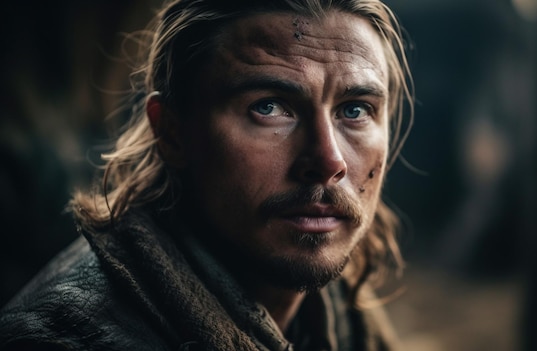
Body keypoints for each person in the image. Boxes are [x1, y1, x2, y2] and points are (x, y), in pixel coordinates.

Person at [0, 0, 413, 349]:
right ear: (172, 132)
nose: (328, 161)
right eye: (268, 107)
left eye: (355, 109)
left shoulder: (339, 304)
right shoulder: (66, 338)